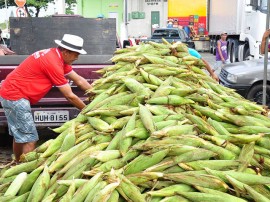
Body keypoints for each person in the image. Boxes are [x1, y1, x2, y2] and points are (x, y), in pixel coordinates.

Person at [0, 34, 92, 162]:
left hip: (12, 92)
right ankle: (27, 172)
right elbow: (69, 96)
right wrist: (89, 111)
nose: (77, 57)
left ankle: (17, 163)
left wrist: (96, 93)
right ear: (66, 52)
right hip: (15, 95)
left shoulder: (57, 56)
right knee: (30, 139)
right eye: (76, 54)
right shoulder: (52, 62)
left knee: (20, 135)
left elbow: (79, 80)